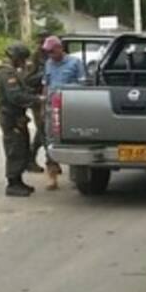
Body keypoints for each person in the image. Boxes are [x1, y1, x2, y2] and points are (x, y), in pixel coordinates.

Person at [40, 36, 86, 190]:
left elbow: (83, 84)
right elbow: (46, 85)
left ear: (60, 48)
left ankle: (77, 174)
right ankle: (52, 176)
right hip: (51, 108)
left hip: (70, 106)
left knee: (73, 139)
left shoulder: (75, 63)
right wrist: (43, 104)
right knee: (49, 140)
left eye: (53, 51)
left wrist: (66, 90)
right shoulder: (48, 64)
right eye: (48, 52)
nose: (51, 55)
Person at [0, 43, 41, 197]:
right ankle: (12, 183)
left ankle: (18, 180)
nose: (24, 63)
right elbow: (15, 96)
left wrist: (33, 93)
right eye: (22, 59)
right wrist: (36, 99)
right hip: (11, 116)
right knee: (15, 148)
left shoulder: (13, 72)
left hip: (17, 116)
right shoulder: (7, 74)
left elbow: (22, 90)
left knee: (22, 147)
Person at [25, 30, 52, 173]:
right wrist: (45, 75)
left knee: (44, 131)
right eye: (42, 42)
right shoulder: (34, 58)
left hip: (51, 97)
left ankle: (31, 157)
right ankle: (50, 163)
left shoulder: (53, 55)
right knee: (43, 130)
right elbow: (27, 80)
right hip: (38, 99)